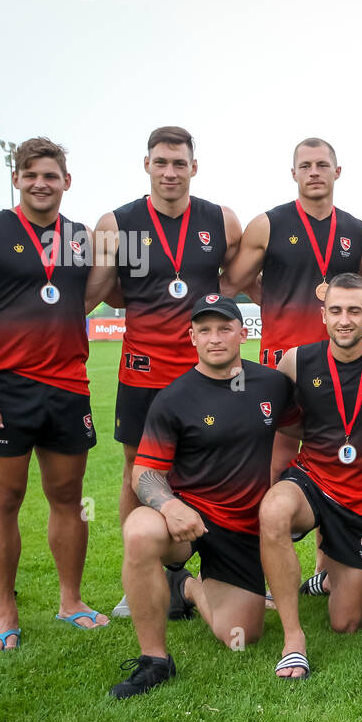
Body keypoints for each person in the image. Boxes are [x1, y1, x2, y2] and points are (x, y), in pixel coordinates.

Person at [0, 136, 114, 650]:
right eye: (30, 175)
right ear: (16, 180)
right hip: (5, 390)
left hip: (67, 387)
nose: (41, 184)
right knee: (3, 498)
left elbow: (81, 299)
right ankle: (5, 611)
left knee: (66, 498)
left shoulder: (82, 238)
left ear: (67, 181)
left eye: (51, 175)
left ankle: (71, 601)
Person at [109, 296, 295, 698]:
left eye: (225, 328)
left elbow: (306, 430)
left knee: (241, 637)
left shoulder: (272, 385)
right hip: (187, 521)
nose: (215, 338)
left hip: (242, 529)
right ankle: (155, 660)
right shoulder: (173, 398)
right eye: (205, 330)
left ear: (244, 333)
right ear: (190, 336)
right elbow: (144, 471)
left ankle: (188, 588)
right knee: (140, 530)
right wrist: (169, 504)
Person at [91, 126, 243, 615]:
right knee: (137, 473)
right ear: (147, 165)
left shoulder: (222, 221)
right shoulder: (116, 224)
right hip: (143, 373)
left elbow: (236, 282)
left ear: (194, 167)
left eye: (179, 163)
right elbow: (99, 291)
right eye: (161, 162)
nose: (170, 172)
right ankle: (141, 577)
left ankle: (227, 572)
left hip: (207, 373)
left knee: (221, 472)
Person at [221, 137, 362, 593]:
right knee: (274, 466)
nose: (314, 172)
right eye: (305, 165)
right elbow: (233, 281)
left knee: (335, 463)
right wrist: (274, 301)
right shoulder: (268, 225)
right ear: (293, 174)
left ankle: (325, 570)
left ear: (337, 171)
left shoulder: (358, 231)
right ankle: (265, 573)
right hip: (280, 366)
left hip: (337, 367)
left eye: (322, 165)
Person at [258, 274, 362, 679]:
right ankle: (294, 640)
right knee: (274, 510)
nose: (345, 320)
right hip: (311, 479)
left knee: (346, 623)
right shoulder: (295, 360)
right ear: (323, 315)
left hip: (361, 499)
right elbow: (278, 416)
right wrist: (317, 436)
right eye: (336, 311)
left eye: (354, 311)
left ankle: (326, 581)